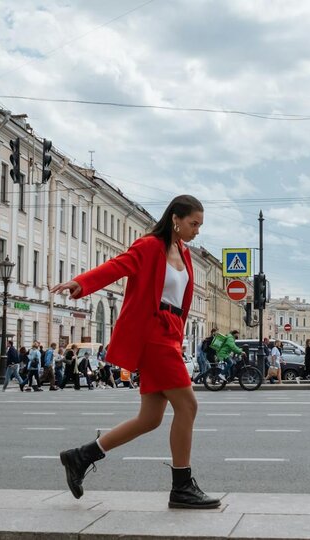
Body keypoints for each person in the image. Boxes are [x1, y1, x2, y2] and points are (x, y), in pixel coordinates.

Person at [51, 194, 218, 509]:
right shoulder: (149, 246)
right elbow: (116, 267)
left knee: (150, 418)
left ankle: (81, 456)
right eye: (193, 223)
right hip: (153, 334)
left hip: (170, 335)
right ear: (175, 219)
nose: (197, 231)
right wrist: (80, 283)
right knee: (188, 406)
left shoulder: (182, 253)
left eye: (199, 225)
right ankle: (181, 486)